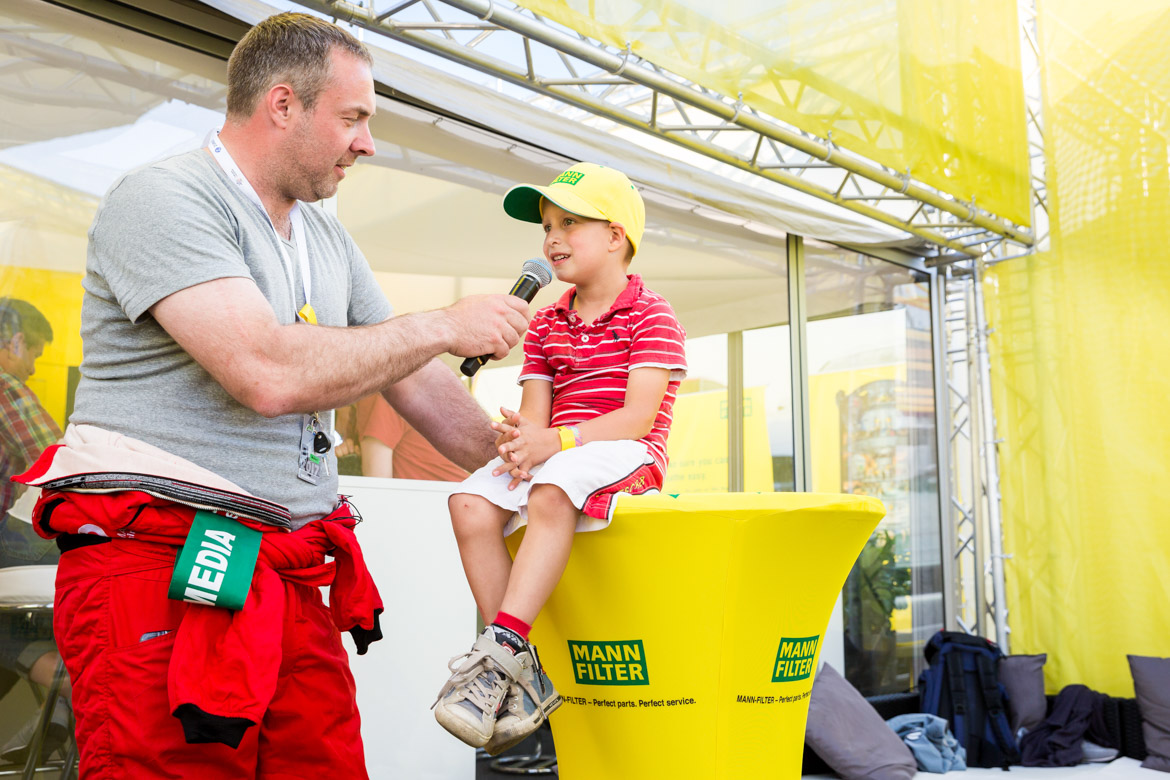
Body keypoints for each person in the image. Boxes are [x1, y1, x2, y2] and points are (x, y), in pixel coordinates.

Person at [20, 12, 528, 778]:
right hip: (159, 562)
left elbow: (412, 377)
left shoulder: (326, 236)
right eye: (354, 118)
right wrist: (444, 323)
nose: (369, 142)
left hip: (287, 570)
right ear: (282, 104)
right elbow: (268, 374)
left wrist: (536, 464)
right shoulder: (163, 198)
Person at [433, 163, 687, 754]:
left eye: (569, 223)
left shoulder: (653, 313)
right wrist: (525, 442)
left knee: (553, 488)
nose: (551, 239)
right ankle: (519, 672)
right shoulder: (546, 320)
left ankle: (497, 657)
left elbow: (638, 420)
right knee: (469, 500)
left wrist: (558, 444)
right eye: (547, 226)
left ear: (616, 236)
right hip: (562, 453)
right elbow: (538, 414)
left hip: (624, 452)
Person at [0, 299, 72, 764]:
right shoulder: (5, 385)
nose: (31, 367)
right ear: (16, 341)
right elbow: (57, 460)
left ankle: (61, 695)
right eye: (35, 353)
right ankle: (63, 691)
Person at [354, 393, 468, 481]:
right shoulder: (409, 388)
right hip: (455, 499)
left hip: (441, 503)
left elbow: (377, 482)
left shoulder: (381, 395)